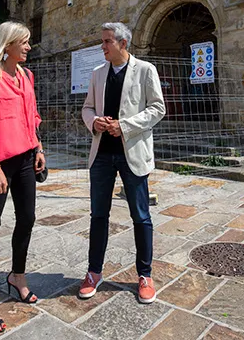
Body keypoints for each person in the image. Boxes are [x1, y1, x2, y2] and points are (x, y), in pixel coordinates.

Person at [79, 22, 166, 304]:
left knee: (140, 215)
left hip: (133, 154)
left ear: (123, 43)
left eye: (107, 41)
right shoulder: (97, 74)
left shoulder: (145, 70)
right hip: (102, 155)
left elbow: (158, 108)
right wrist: (95, 121)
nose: (102, 46)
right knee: (98, 215)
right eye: (102, 41)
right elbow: (87, 107)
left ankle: (145, 275)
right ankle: (94, 272)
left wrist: (124, 126)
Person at [0, 21, 46, 334]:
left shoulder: (26, 76)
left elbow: (31, 117)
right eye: (23, 42)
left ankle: (17, 276)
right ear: (8, 45)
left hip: (27, 158)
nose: (28, 47)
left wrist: (39, 148)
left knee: (27, 218)